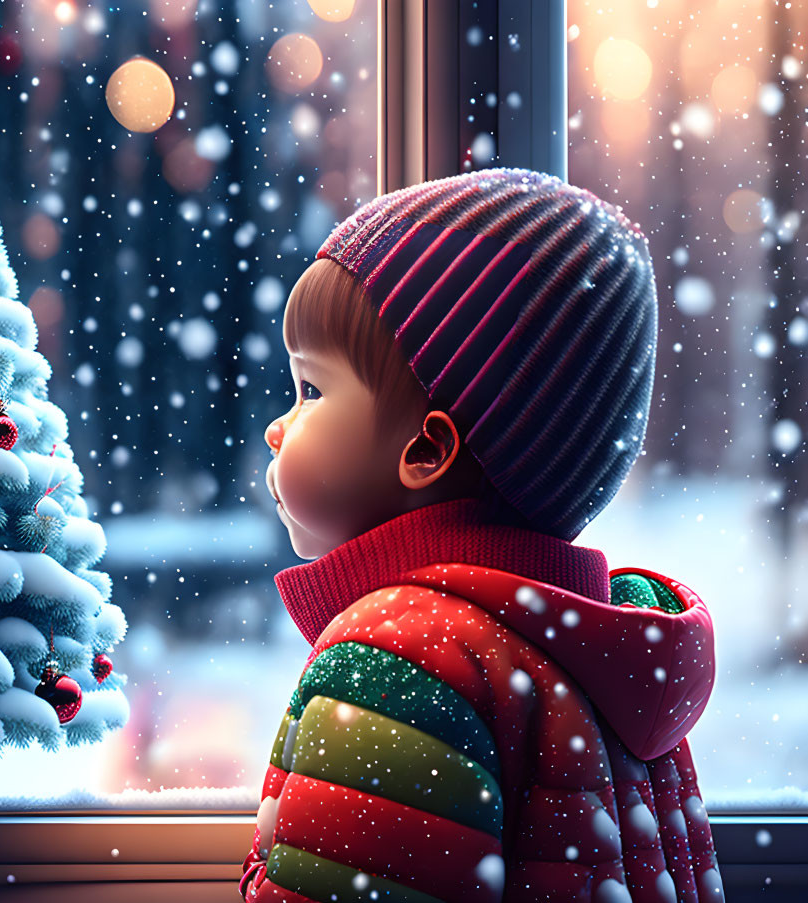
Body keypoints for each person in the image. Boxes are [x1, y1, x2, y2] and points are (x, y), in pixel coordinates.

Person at [240, 168, 723, 902]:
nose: (279, 426)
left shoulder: (401, 659)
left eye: (311, 389)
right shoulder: (605, 661)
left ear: (427, 451)